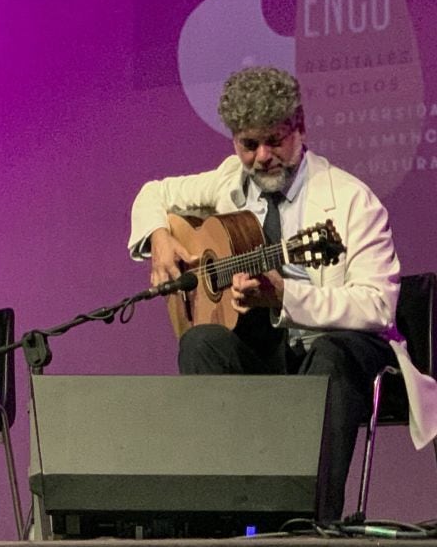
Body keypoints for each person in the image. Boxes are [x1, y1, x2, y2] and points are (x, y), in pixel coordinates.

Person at [128, 66, 400, 524]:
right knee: (202, 342)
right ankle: (219, 518)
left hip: (333, 350)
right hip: (268, 349)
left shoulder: (352, 200)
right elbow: (154, 193)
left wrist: (286, 298)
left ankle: (312, 524)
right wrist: (159, 237)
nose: (262, 157)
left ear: (301, 129)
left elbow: (377, 305)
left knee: (334, 352)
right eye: (248, 144)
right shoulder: (227, 180)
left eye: (275, 140)